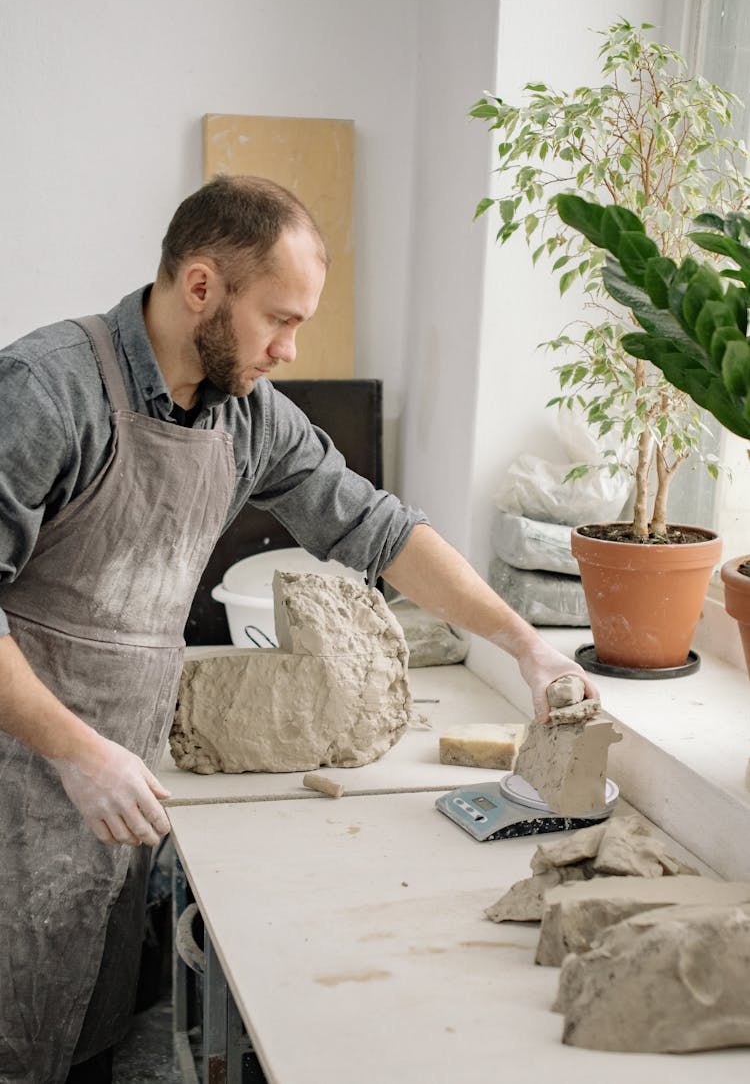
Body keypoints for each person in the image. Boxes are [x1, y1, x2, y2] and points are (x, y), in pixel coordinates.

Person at [0, 174, 597, 1083]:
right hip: (24, 768)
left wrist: (523, 640)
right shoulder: (49, 388)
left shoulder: (248, 415)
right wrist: (77, 751)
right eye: (278, 319)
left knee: (86, 1021)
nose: (288, 348)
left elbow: (383, 529)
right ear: (200, 287)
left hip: (121, 782)